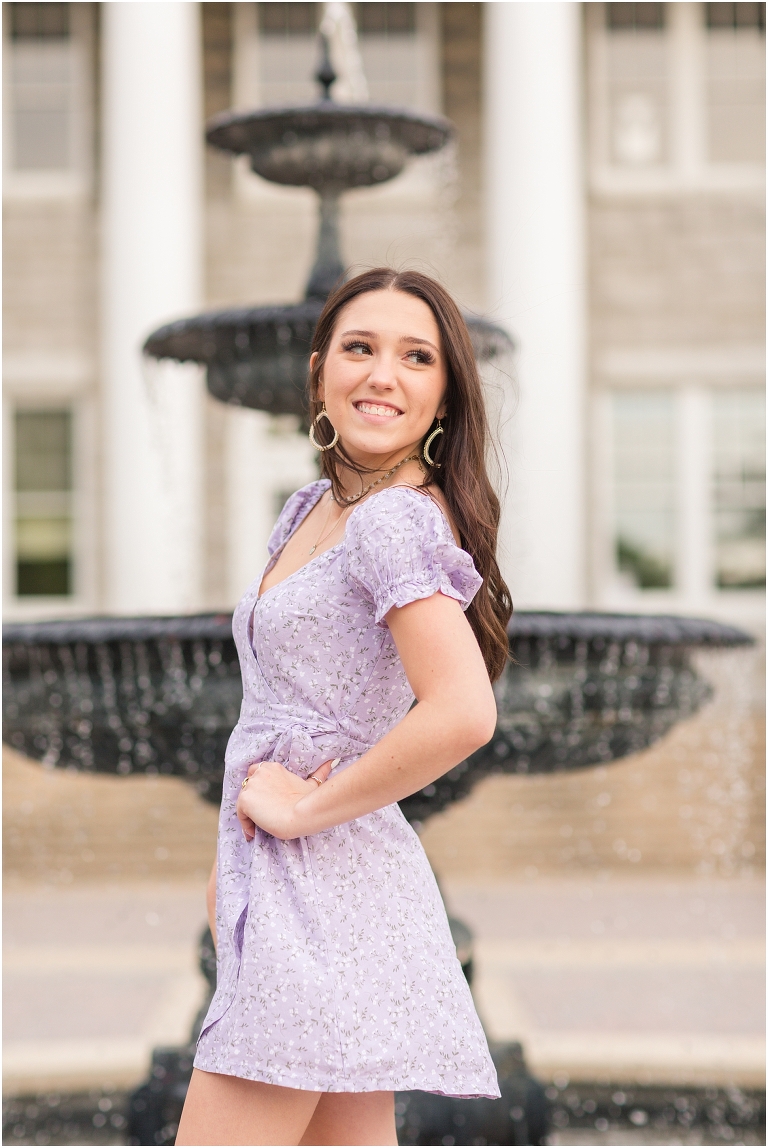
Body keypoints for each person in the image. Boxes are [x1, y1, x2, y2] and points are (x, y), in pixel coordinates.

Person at [176, 268, 513, 1146]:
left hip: (326, 892)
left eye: (416, 357)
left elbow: (463, 711)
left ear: (444, 396)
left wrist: (303, 811)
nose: (382, 375)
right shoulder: (312, 510)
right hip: (299, 890)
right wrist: (240, 863)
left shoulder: (391, 522)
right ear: (321, 369)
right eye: (360, 349)